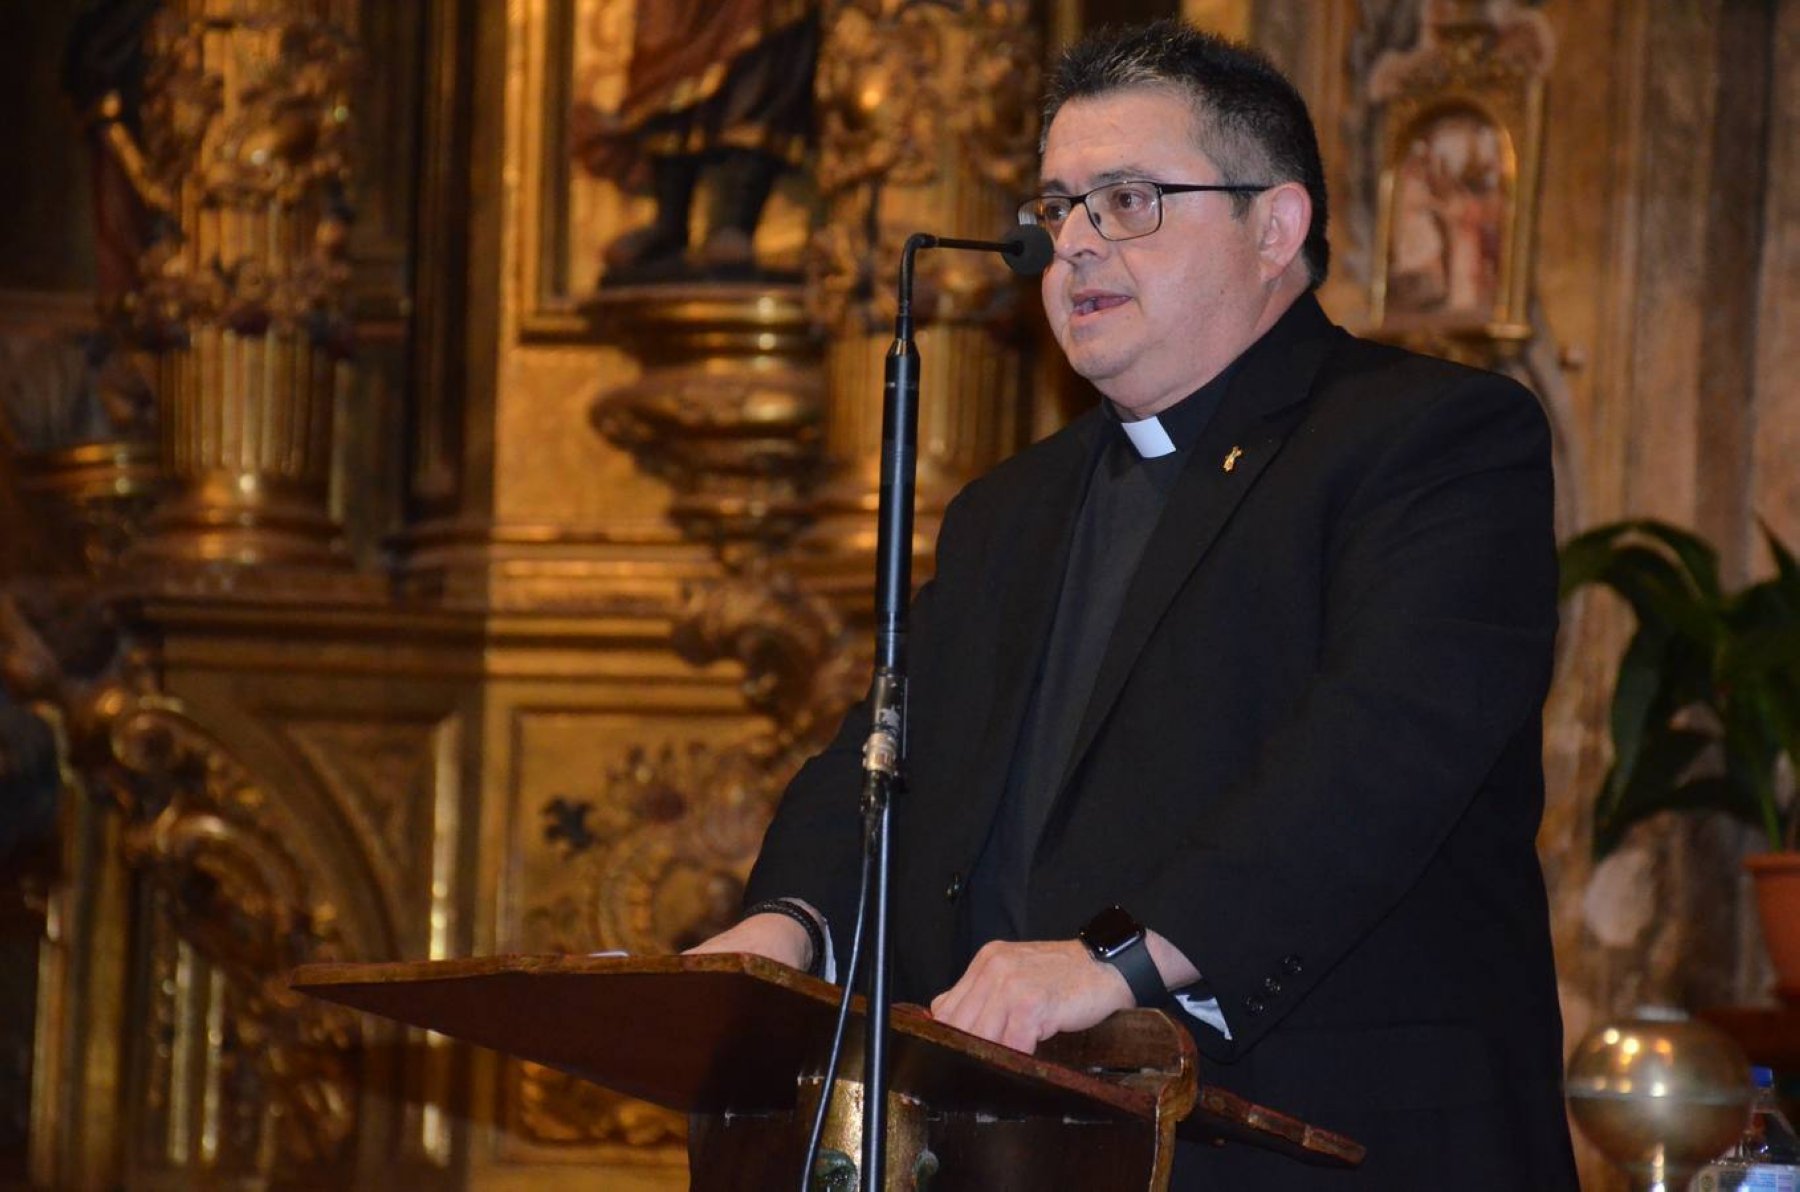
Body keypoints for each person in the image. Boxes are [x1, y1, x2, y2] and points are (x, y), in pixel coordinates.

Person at [692, 20, 1577, 1189]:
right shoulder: (1012, 508)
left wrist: (1116, 959)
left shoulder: (1432, 441)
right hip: (1022, 1148)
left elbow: (1379, 756)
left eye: (1130, 200)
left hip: (1322, 1141)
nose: (1075, 246)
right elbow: (886, 752)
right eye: (1061, 205)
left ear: (1277, 226)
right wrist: (787, 929)